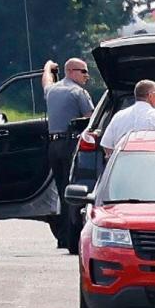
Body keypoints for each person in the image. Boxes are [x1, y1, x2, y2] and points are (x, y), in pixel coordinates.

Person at [42, 58, 96, 246]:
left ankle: (63, 237)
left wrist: (48, 67)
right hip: (70, 144)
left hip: (53, 146)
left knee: (60, 189)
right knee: (72, 192)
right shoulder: (78, 92)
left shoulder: (52, 90)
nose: (87, 76)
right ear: (71, 71)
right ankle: (70, 237)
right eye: (84, 72)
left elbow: (46, 81)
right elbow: (91, 121)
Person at [100, 79, 155, 157]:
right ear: (150, 95)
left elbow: (107, 145)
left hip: (121, 166)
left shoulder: (119, 116)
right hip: (149, 165)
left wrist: (116, 161)